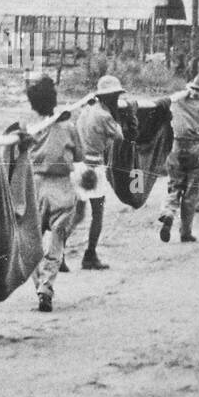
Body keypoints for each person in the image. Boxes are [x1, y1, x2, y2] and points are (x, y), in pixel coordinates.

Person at [21, 76, 81, 311]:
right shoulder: (67, 126)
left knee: (31, 239)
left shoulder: (27, 126)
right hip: (61, 186)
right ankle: (46, 286)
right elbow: (80, 155)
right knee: (57, 239)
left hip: (34, 184)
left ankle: (39, 284)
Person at [75, 75, 127, 270]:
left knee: (76, 213)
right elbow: (119, 137)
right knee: (98, 213)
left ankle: (59, 251)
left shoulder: (86, 110)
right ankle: (90, 254)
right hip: (94, 166)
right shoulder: (105, 116)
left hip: (79, 165)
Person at [157, 71, 199, 243]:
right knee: (191, 191)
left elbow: (165, 104)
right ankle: (185, 231)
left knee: (174, 185)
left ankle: (168, 213)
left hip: (175, 146)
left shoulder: (176, 102)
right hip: (197, 148)